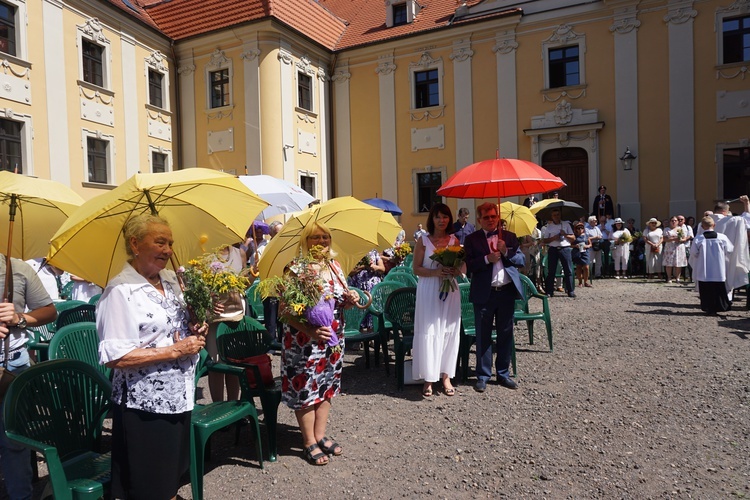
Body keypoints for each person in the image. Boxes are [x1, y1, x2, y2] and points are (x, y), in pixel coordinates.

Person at [96, 214, 207, 499]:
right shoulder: (120, 291)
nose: (168, 250)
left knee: (169, 477)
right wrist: (175, 351)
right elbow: (115, 357)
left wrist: (196, 324)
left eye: (170, 243)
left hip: (179, 395)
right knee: (150, 484)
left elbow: (177, 324)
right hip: (144, 405)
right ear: (135, 243)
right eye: (160, 242)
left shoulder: (171, 281)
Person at [280, 222, 359, 466]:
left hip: (333, 339)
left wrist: (350, 298)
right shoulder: (295, 269)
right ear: (306, 241)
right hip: (303, 342)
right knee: (305, 389)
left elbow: (339, 301)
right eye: (316, 237)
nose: (322, 241)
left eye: (326, 237)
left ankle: (320, 435)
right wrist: (311, 331)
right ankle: (308, 441)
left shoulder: (334, 267)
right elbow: (284, 311)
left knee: (327, 386)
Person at [0, 256, 57, 499]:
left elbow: (49, 311)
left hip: (12, 364)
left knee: (14, 442)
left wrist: (18, 319)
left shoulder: (18, 269)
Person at [464, 202, 524, 392]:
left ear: (498, 217)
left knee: (506, 333)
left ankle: (503, 373)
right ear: (479, 220)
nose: (490, 220)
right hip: (484, 293)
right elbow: (468, 265)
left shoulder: (509, 237)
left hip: (506, 291)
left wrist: (506, 251)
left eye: (493, 216)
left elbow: (521, 260)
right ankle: (482, 375)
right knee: (483, 335)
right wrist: (486, 259)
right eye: (486, 217)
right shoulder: (472, 239)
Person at [411, 203, 463, 398]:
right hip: (429, 289)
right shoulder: (422, 241)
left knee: (449, 331)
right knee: (430, 330)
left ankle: (446, 376)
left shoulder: (454, 239)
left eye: (445, 217)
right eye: (438, 217)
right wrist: (435, 272)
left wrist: (454, 270)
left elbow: (461, 267)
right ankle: (429, 378)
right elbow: (416, 268)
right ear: (431, 219)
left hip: (450, 290)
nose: (442, 220)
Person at [206, 243, 245, 402]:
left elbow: (243, 285)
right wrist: (208, 301)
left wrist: (254, 274)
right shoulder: (206, 253)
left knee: (234, 364)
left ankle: (233, 405)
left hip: (236, 314)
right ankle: (218, 406)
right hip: (215, 315)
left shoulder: (239, 253)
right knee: (216, 364)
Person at [689, 216, 734, 315]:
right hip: (719, 268)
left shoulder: (699, 238)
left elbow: (694, 253)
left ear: (703, 226)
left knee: (706, 289)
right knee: (718, 288)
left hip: (704, 269)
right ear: (714, 225)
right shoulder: (722, 237)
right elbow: (730, 250)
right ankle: (720, 306)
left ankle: (708, 308)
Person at [347, 249, 385, 331]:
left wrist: (374, 267)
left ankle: (372, 336)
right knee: (359, 313)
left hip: (373, 288)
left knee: (372, 315)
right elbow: (349, 272)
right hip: (358, 288)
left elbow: (382, 269)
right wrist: (363, 267)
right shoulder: (352, 253)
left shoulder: (374, 252)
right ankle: (359, 337)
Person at [541, 208, 575, 297]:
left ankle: (570, 290)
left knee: (568, 270)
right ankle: (549, 291)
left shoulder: (566, 224)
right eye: (554, 215)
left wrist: (565, 234)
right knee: (551, 271)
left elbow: (573, 238)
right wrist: (553, 238)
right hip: (553, 249)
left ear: (560, 215)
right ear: (552, 217)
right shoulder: (549, 227)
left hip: (565, 248)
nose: (556, 216)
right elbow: (545, 240)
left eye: (558, 214)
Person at [662, 216, 687, 283]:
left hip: (678, 247)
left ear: (677, 222)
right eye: (672, 220)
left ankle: (677, 278)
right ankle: (669, 278)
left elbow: (684, 238)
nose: (674, 222)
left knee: (678, 263)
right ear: (670, 222)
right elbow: (664, 239)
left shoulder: (680, 229)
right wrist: (673, 239)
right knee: (669, 264)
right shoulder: (666, 229)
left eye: (675, 220)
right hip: (669, 248)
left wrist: (680, 239)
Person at [571, 222, 592, 287]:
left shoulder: (586, 235)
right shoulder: (574, 236)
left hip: (585, 252)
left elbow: (590, 244)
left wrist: (587, 246)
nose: (580, 229)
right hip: (577, 252)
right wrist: (575, 246)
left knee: (586, 267)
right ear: (576, 229)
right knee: (579, 267)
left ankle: (586, 281)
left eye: (582, 228)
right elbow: (570, 245)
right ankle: (580, 282)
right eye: (578, 228)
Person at [585, 215, 602, 282]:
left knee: (599, 261)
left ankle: (598, 274)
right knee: (590, 261)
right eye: (595, 220)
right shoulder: (587, 229)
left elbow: (601, 235)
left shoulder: (597, 228)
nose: (596, 222)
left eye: (596, 220)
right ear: (590, 221)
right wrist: (595, 237)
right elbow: (586, 238)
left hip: (598, 246)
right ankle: (588, 275)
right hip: (591, 246)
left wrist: (599, 237)